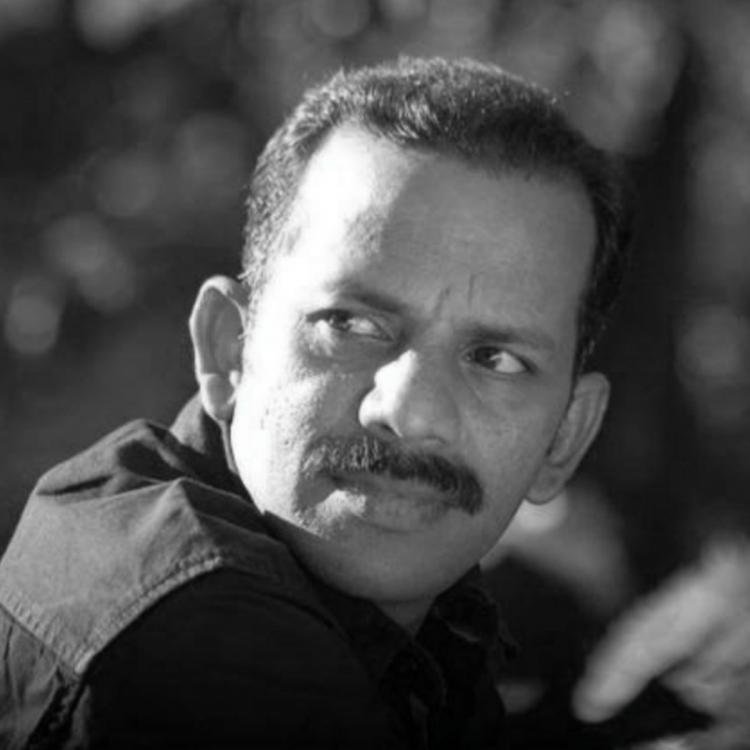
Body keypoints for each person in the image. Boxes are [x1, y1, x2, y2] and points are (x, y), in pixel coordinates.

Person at [0, 55, 632, 748]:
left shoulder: (426, 626)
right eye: (351, 324)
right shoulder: (199, 643)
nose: (409, 411)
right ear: (229, 347)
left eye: (496, 360)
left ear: (564, 438)